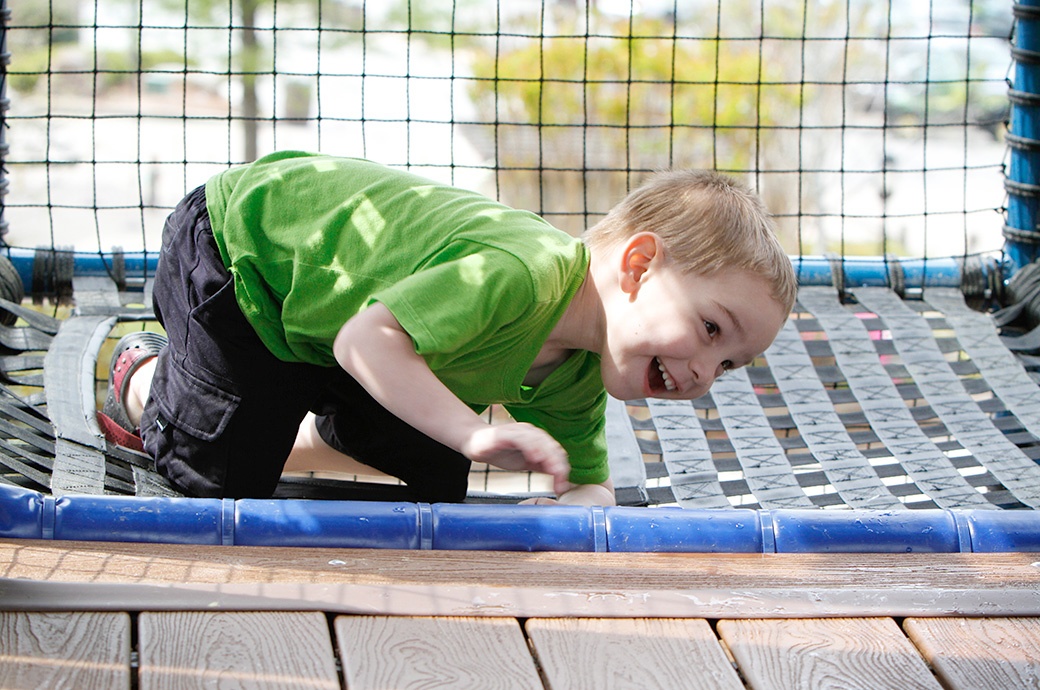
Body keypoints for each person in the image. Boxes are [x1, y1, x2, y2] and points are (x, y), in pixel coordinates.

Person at [98, 151, 796, 506]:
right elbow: (364, 342)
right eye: (711, 329)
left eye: (730, 364)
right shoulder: (519, 275)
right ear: (639, 267)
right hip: (246, 260)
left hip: (340, 327)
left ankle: (279, 421)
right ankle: (147, 378)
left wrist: (583, 509)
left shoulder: (581, 372)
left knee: (438, 479)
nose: (707, 375)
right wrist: (473, 430)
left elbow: (586, 483)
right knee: (216, 481)